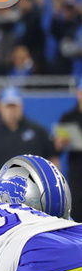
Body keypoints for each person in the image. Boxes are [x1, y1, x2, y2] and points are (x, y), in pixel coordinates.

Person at [0, 86, 58, 174]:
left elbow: (52, 159)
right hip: (0, 186)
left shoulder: (37, 131)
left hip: (32, 185)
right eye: (8, 106)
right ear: (0, 107)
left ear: (21, 106)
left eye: (14, 106)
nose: (11, 111)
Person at [54, 78, 82, 221]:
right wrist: (60, 143)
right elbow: (57, 150)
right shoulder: (68, 118)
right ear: (78, 94)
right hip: (77, 173)